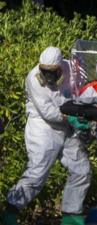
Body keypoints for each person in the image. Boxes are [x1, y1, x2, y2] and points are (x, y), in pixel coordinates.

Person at [0, 47, 91, 225]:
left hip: (67, 127)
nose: (48, 76)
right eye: (45, 71)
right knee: (37, 173)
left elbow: (82, 92)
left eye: (52, 72)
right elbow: (48, 112)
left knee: (81, 169)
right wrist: (71, 118)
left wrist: (86, 113)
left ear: (59, 67)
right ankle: (10, 211)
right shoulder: (34, 78)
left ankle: (71, 215)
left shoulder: (72, 69)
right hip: (43, 127)